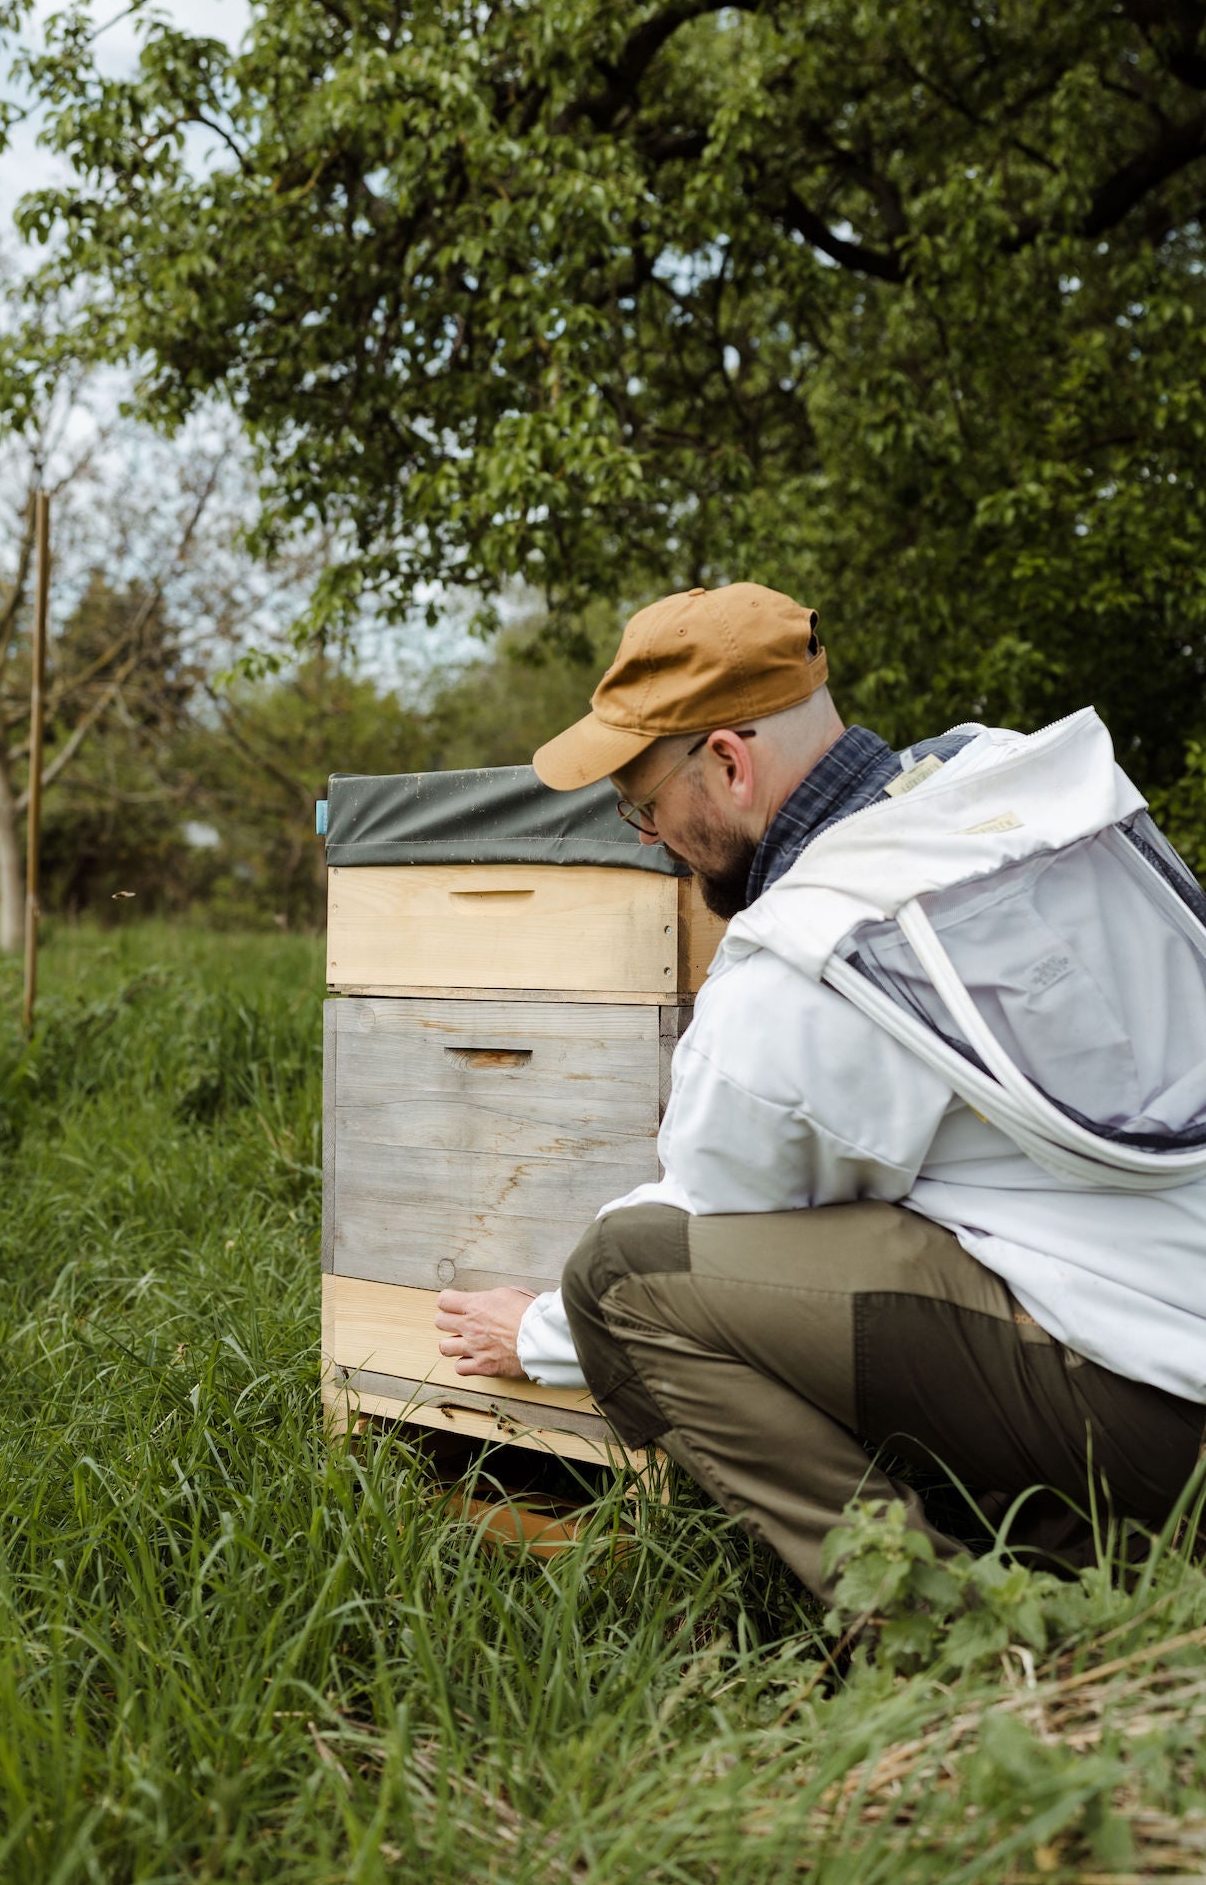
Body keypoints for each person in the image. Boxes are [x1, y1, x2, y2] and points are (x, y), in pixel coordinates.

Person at [434, 581, 1206, 1601]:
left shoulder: (811, 952)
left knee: (618, 1280)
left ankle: (943, 1625)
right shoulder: (1014, 805)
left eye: (643, 802)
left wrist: (534, 1328)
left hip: (1160, 1407)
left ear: (726, 760)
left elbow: (706, 1218)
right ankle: (1077, 1547)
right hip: (1166, 1329)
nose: (642, 834)